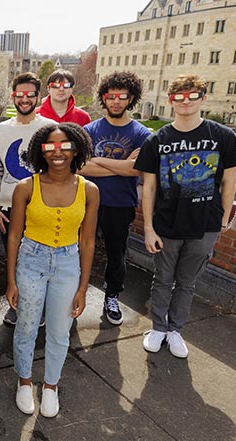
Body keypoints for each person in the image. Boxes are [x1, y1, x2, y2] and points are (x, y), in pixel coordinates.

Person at [135, 74, 236, 359]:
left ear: (202, 99)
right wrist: (148, 227)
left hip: (205, 223)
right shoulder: (157, 140)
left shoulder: (223, 137)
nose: (185, 102)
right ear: (171, 101)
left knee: (187, 282)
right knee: (162, 278)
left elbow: (229, 182)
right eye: (179, 97)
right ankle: (158, 327)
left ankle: (175, 330)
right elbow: (149, 186)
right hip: (167, 223)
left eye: (192, 96)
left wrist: (221, 221)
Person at [6, 123, 99, 417]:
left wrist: (83, 287)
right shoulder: (26, 187)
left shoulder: (90, 190)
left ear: (76, 149)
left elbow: (87, 240)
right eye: (49, 146)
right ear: (40, 151)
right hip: (31, 260)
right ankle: (23, 380)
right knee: (27, 325)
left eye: (64, 145)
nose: (57, 152)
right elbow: (13, 235)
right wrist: (10, 280)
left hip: (68, 263)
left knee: (60, 331)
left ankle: (50, 386)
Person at [0, 72, 57, 325]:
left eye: (30, 94)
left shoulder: (49, 129)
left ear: (38, 97)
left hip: (42, 207)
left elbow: (57, 169)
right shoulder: (1, 131)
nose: (24, 99)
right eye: (20, 94)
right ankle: (18, 304)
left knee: (41, 260)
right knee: (15, 259)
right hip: (8, 208)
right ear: (13, 96)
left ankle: (40, 308)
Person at [81, 71, 152, 325]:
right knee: (79, 249)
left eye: (122, 97)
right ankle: (74, 294)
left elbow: (136, 169)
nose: (116, 101)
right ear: (103, 98)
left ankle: (112, 296)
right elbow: (79, 167)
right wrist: (120, 164)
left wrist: (98, 160)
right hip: (87, 201)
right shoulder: (88, 130)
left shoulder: (142, 134)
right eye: (110, 96)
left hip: (121, 203)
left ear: (131, 98)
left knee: (116, 253)